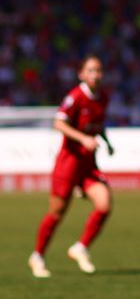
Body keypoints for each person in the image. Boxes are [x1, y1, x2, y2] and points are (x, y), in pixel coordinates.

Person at [28, 56, 114, 278]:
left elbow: (98, 124)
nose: (96, 74)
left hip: (88, 165)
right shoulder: (75, 97)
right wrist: (83, 139)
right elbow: (58, 123)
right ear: (82, 74)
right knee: (57, 213)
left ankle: (80, 248)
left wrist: (107, 142)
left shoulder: (103, 97)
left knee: (104, 204)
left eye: (99, 70)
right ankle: (37, 256)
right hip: (68, 164)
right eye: (91, 70)